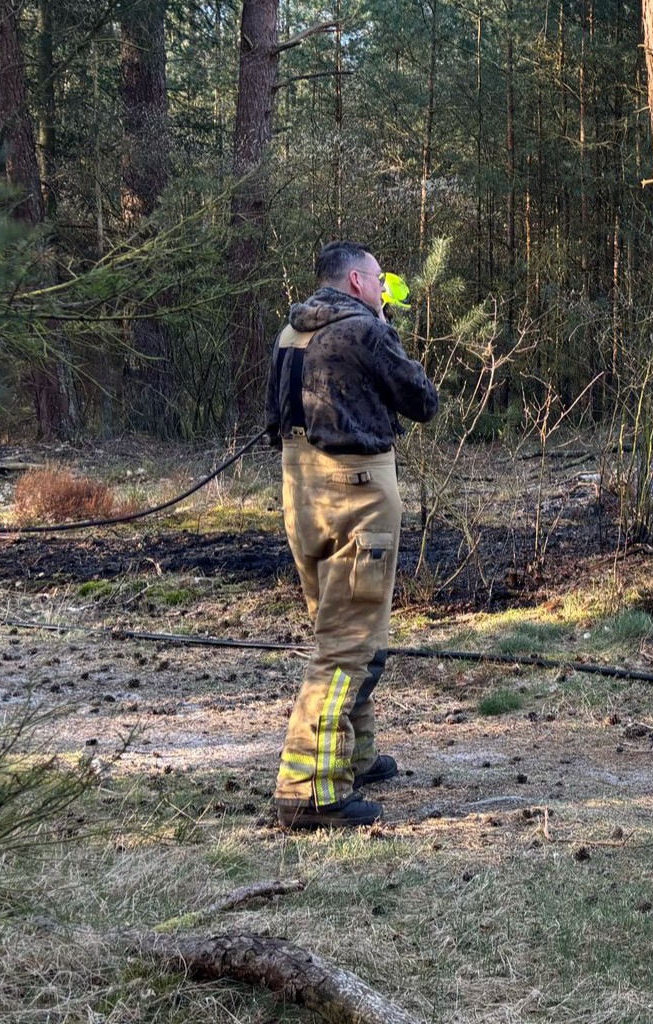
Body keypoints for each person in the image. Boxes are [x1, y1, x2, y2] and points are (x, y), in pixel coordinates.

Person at [265, 241, 439, 829]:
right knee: (347, 642)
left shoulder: (291, 332)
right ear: (360, 283)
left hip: (300, 492)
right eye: (377, 281)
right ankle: (309, 787)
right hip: (357, 492)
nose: (381, 293)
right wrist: (386, 330)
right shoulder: (363, 331)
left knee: (340, 625)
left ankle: (354, 756)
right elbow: (422, 400)